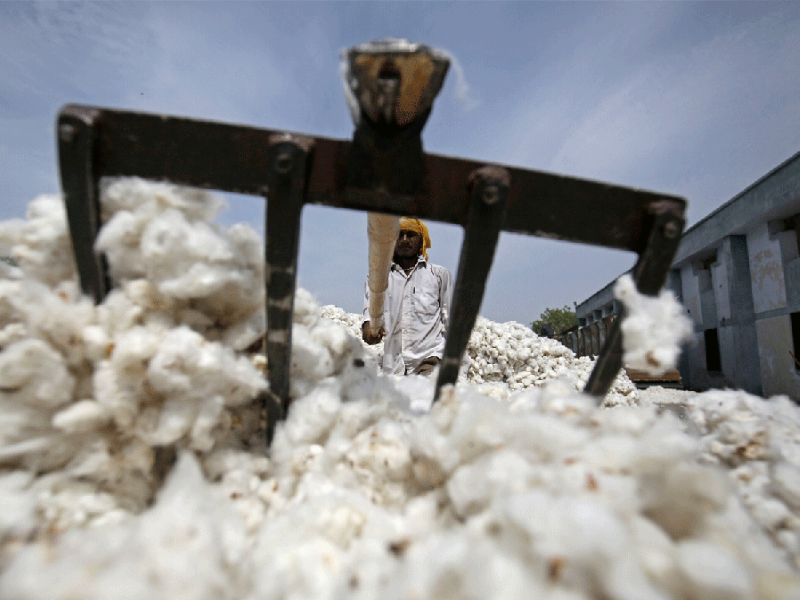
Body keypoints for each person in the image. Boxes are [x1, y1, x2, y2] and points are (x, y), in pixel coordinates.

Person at [362, 217, 453, 376]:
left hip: (431, 358)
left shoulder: (438, 275)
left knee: (424, 397)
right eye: (399, 234)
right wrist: (370, 331)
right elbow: (369, 316)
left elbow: (450, 319)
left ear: (421, 240)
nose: (404, 240)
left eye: (411, 235)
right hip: (394, 365)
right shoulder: (377, 278)